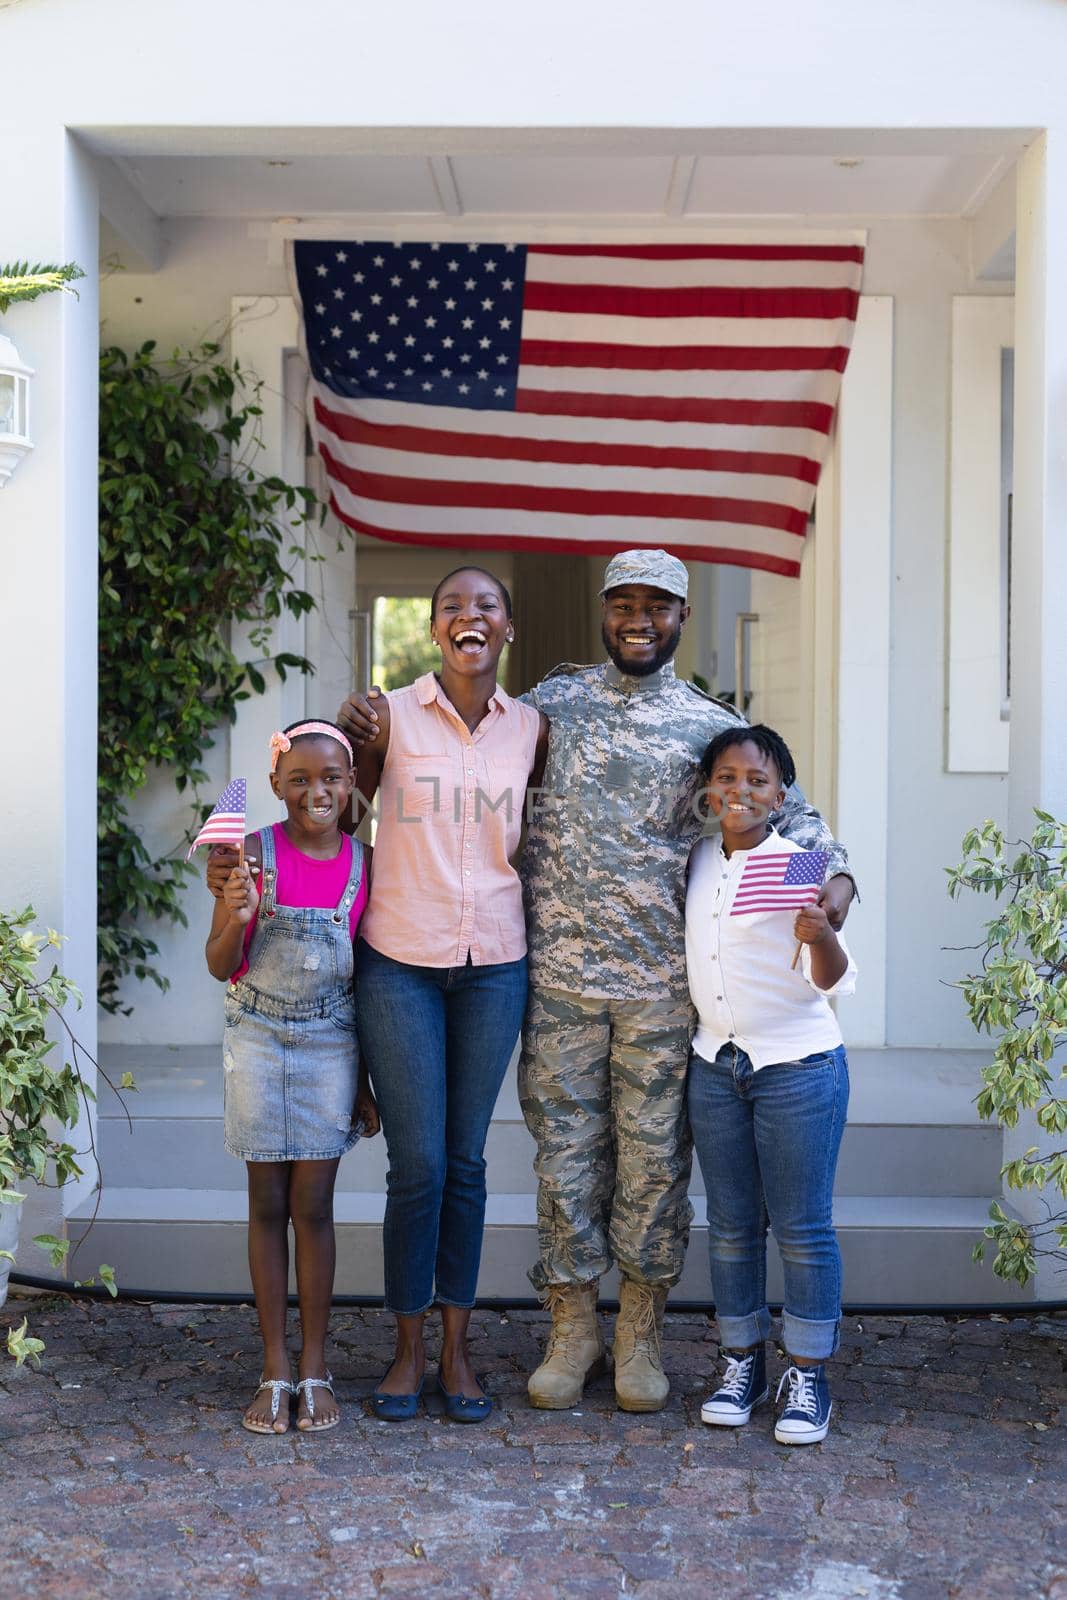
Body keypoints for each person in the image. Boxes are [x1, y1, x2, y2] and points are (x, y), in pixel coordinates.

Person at [340, 547, 854, 1416]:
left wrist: (834, 886)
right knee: (566, 1164)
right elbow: (463, 764)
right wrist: (370, 729)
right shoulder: (547, 707)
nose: (639, 621)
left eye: (658, 606)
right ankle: (571, 1327)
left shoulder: (707, 727)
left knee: (652, 1166)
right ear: (603, 613)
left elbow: (794, 817)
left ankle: (638, 1332)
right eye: (624, 605)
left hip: (661, 991)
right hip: (557, 983)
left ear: (681, 618)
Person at [346, 566, 548, 1423]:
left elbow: (539, 838)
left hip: (496, 963)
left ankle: (458, 1351)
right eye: (452, 609)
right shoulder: (386, 714)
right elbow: (333, 798)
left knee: (465, 1164)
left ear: (506, 628)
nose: (470, 618)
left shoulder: (533, 728)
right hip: (400, 961)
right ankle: (404, 1349)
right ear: (434, 631)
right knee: (418, 1165)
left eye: (486, 607)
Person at [205, 719, 379, 1435]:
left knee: (314, 1205)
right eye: (300, 778)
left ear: (351, 787)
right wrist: (229, 912)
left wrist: (365, 1081)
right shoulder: (248, 855)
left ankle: (315, 1367)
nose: (317, 790)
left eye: (331, 778)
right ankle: (273, 1368)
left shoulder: (368, 863)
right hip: (257, 1034)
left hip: (332, 1043)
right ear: (275, 784)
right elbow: (219, 963)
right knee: (266, 1200)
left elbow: (368, 982)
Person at [686, 724, 854, 1445]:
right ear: (706, 790)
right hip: (715, 1065)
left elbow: (833, 980)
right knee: (729, 1229)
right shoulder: (693, 862)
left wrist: (820, 931)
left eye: (756, 780)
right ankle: (740, 1362)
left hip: (797, 1067)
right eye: (726, 777)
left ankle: (807, 1373)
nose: (740, 791)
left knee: (801, 1229)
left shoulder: (796, 864)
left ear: (781, 795)